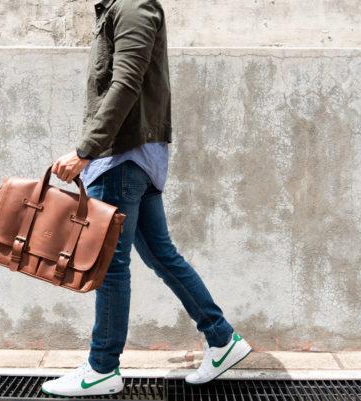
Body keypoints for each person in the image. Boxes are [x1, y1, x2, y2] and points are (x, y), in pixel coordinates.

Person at [41, 0, 252, 396]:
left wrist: (86, 150)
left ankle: (102, 368)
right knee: (161, 255)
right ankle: (222, 338)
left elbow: (125, 83)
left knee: (109, 266)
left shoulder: (133, 7)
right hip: (131, 156)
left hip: (121, 157)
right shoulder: (120, 8)